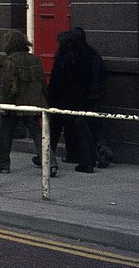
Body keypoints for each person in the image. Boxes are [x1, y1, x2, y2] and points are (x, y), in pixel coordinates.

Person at [0, 29, 57, 176]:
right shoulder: (35, 59)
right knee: (38, 134)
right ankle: (51, 164)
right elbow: (42, 83)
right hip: (33, 102)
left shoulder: (10, 61)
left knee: (5, 134)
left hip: (15, 103)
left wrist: (4, 104)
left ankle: (3, 165)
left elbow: (8, 86)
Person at [45, 31, 95, 171]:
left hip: (62, 100)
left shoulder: (63, 59)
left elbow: (56, 80)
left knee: (53, 130)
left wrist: (50, 96)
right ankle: (86, 160)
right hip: (79, 99)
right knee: (79, 129)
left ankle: (47, 156)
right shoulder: (84, 57)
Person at [72, 26, 114, 169]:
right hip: (95, 95)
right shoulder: (94, 54)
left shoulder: (78, 55)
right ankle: (103, 148)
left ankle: (90, 155)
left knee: (82, 126)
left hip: (82, 96)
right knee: (96, 124)